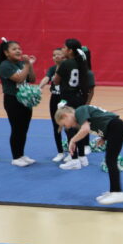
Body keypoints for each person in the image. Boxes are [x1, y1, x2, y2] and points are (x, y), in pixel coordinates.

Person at [55, 104, 123, 205]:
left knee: (110, 160)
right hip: (115, 128)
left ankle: (118, 193)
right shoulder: (81, 116)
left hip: (117, 127)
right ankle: (114, 191)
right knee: (110, 160)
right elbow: (105, 118)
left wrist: (72, 140)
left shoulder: (79, 111)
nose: (67, 127)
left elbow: (85, 129)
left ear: (65, 115)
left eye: (64, 124)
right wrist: (104, 137)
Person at [0, 38, 37, 167]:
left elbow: (32, 78)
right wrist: (26, 64)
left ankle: (21, 155)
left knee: (23, 129)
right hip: (13, 101)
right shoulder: (5, 65)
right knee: (16, 129)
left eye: (19, 48)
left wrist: (29, 65)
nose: (18, 51)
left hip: (25, 100)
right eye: (14, 49)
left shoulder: (20, 64)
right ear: (6, 53)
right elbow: (19, 78)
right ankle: (15, 157)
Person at [53, 38, 89, 170]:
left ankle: (74, 159)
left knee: (69, 129)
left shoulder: (66, 63)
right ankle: (82, 157)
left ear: (70, 50)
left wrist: (58, 66)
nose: (62, 49)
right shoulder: (82, 62)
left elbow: (56, 81)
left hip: (68, 99)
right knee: (79, 127)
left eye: (63, 48)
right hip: (79, 98)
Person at [39, 48, 66, 162]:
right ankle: (60, 152)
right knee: (56, 125)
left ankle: (74, 151)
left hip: (66, 99)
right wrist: (40, 87)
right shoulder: (52, 69)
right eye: (53, 55)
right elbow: (47, 78)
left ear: (64, 56)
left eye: (58, 55)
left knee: (69, 126)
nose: (55, 57)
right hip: (55, 98)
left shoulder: (68, 68)